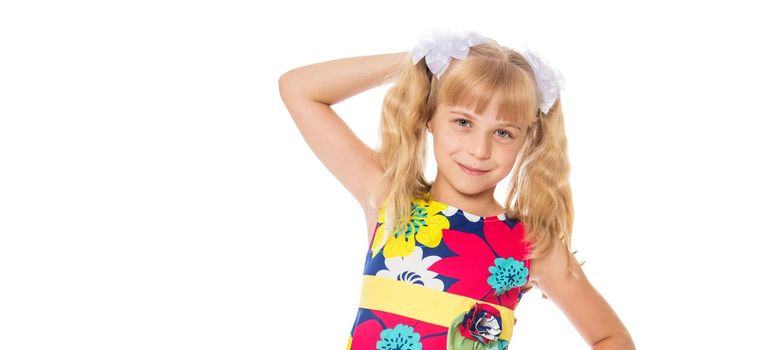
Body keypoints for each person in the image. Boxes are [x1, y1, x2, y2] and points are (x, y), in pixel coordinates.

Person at [279, 29, 635, 350]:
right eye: (463, 122)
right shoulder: (391, 199)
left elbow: (612, 338)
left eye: (503, 132)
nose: (479, 149)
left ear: (527, 139)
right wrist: (417, 64)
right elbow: (298, 88)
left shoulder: (531, 244)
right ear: (429, 116)